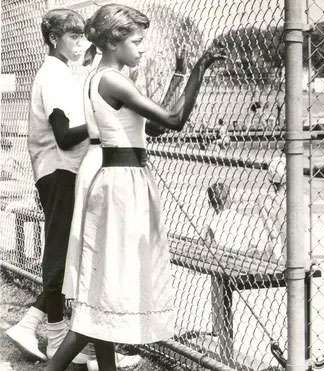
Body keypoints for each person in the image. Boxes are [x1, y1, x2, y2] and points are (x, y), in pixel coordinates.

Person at [46, 4, 225, 370]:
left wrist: (180, 75)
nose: (143, 48)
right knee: (108, 293)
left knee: (105, 289)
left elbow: (153, 128)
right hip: (119, 185)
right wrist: (200, 68)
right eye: (137, 41)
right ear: (114, 42)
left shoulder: (106, 78)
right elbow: (173, 120)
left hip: (118, 180)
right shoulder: (112, 80)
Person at [5, 9, 91, 364]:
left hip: (58, 170)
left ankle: (52, 333)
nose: (79, 43)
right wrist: (102, 121)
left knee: (64, 252)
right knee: (60, 253)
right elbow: (65, 137)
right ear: (54, 38)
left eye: (81, 36)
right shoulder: (53, 75)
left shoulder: (61, 71)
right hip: (59, 170)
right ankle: (34, 323)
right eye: (73, 37)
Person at [204, 182, 274, 260]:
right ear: (229, 199)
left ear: (209, 203)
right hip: (242, 262)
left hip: (220, 261)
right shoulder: (243, 220)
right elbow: (262, 247)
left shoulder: (210, 225)